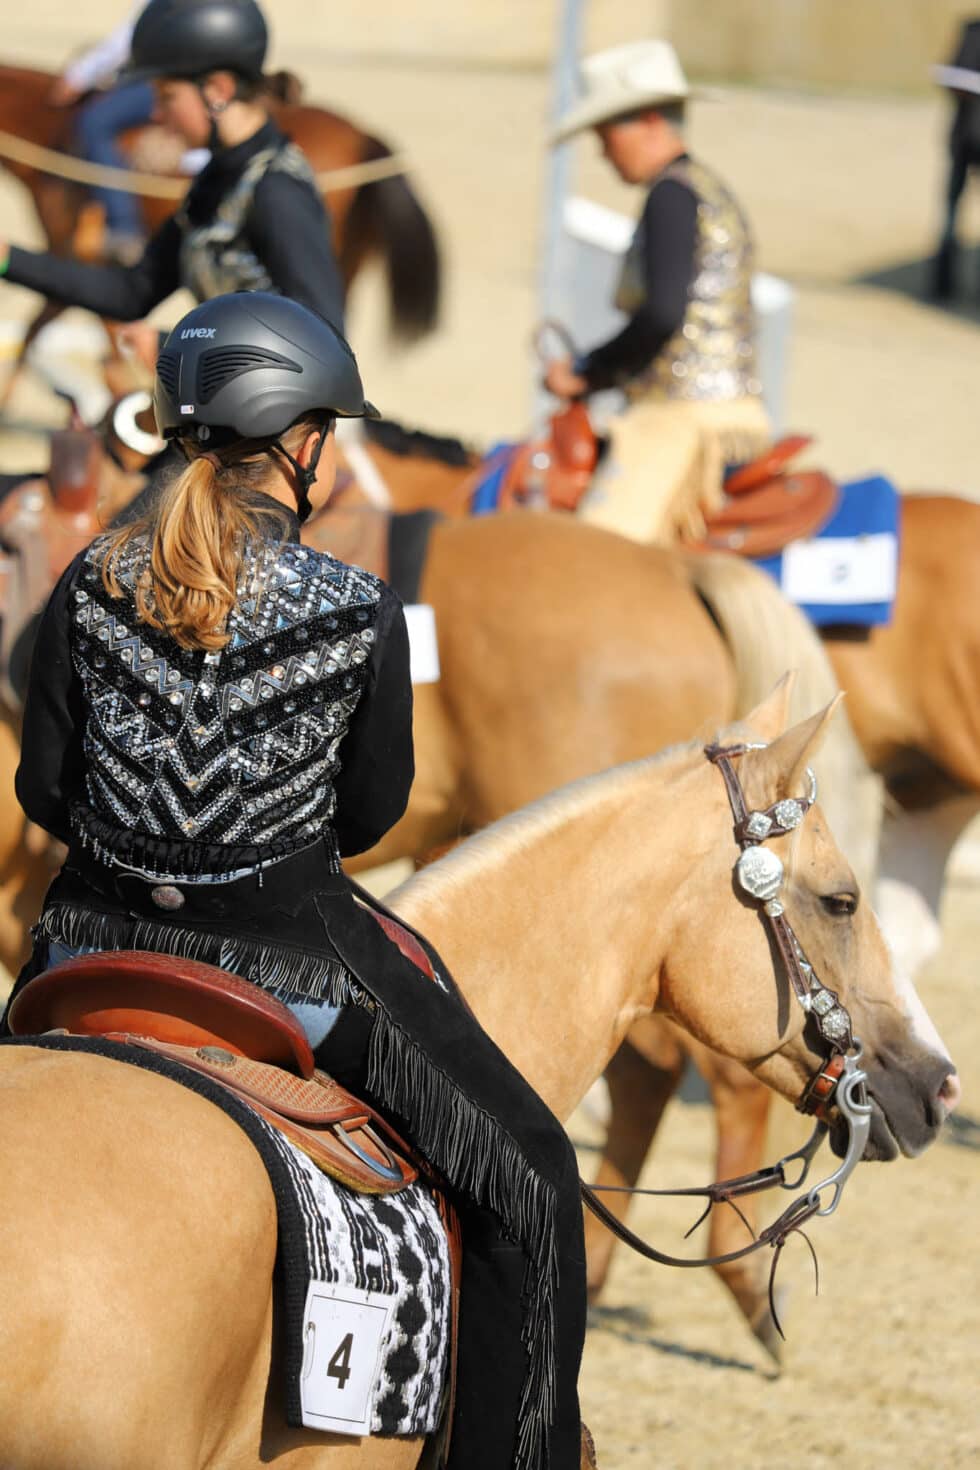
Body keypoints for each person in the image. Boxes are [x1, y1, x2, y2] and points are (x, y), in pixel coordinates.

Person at [2, 290, 590, 1470]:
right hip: (293, 961)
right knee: (528, 1177)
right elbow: (370, 816)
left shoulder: (90, 579)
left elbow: (43, 792)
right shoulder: (358, 607)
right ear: (300, 438)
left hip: (79, 952)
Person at [0, 0, 345, 367]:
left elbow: (323, 341)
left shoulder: (276, 190)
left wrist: (174, 345)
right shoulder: (216, 184)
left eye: (166, 96)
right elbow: (130, 292)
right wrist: (8, 259)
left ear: (218, 90)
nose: (156, 114)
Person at [546, 39, 770, 545]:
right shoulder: (707, 187)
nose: (602, 152)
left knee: (596, 553)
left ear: (648, 120)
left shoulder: (672, 194)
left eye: (606, 134)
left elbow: (663, 314)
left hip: (680, 420)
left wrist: (588, 372)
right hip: (727, 411)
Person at [49, 4, 154, 265]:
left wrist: (79, 75)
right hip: (180, 73)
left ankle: (124, 228)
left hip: (170, 78)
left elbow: (130, 38)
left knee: (95, 122)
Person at [932, 16, 980, 299]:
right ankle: (942, 283)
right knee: (950, 213)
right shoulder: (971, 30)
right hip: (964, 137)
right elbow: (953, 74)